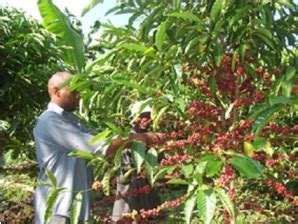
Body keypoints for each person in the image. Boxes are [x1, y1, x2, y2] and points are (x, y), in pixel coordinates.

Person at [33, 72, 162, 224]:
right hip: (59, 209)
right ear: (56, 91)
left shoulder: (71, 120)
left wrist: (132, 134)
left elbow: (104, 139)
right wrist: (140, 138)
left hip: (75, 207)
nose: (78, 96)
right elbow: (99, 146)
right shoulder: (50, 121)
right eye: (73, 91)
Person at [112, 101, 161, 223]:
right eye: (141, 116)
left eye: (148, 117)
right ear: (133, 119)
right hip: (130, 191)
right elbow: (125, 173)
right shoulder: (126, 139)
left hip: (147, 193)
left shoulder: (152, 138)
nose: (145, 120)